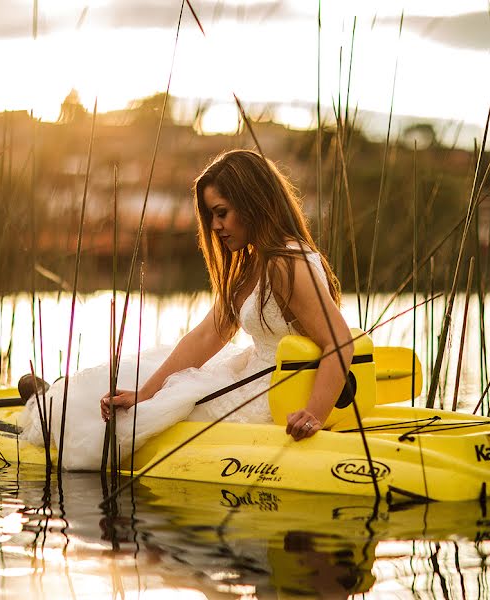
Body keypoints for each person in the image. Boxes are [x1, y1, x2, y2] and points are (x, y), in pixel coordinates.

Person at [19, 149, 354, 470]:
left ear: (253, 204)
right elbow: (209, 334)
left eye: (222, 213)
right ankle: (54, 401)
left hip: (270, 398)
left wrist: (314, 414)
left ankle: (52, 407)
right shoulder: (253, 264)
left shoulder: (287, 264)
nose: (215, 226)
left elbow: (339, 341)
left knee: (154, 415)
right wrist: (146, 393)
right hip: (250, 378)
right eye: (211, 217)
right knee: (140, 381)